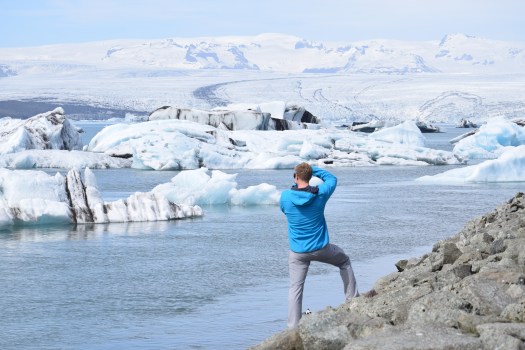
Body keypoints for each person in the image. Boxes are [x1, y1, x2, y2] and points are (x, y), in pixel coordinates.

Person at [280, 162, 359, 328]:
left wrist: (301, 175)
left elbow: (284, 209)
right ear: (310, 176)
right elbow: (332, 178)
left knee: (295, 288)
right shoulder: (320, 194)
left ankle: (293, 327)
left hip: (298, 252)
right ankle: (352, 301)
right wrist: (312, 169)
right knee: (344, 261)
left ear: (295, 177)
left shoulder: (286, 196)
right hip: (322, 249)